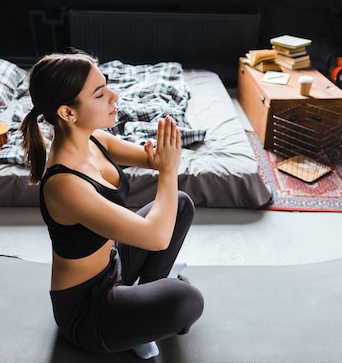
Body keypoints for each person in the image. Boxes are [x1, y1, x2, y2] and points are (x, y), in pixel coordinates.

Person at [20, 50, 204, 359]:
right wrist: (169, 170)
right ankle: (137, 319)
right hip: (88, 310)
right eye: (100, 93)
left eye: (107, 87)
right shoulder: (64, 183)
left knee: (180, 204)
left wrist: (163, 158)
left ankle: (144, 298)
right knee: (187, 301)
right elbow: (156, 236)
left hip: (113, 264)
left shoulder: (94, 140)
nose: (114, 96)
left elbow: (154, 159)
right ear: (68, 113)